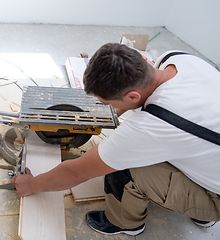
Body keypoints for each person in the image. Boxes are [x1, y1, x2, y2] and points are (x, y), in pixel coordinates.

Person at [11, 43, 220, 236]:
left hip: (216, 197)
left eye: (105, 103)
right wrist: (97, 119)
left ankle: (126, 223)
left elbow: (77, 172)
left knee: (122, 168)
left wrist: (33, 185)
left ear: (132, 97)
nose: (105, 106)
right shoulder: (177, 59)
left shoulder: (157, 123)